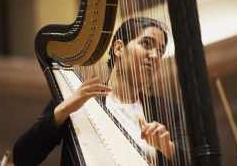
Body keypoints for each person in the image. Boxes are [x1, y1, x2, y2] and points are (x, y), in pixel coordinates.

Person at [13, 17, 184, 165]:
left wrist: (167, 147)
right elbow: (23, 157)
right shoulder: (78, 99)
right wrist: (65, 109)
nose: (155, 55)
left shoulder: (167, 110)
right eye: (146, 44)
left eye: (160, 51)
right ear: (118, 48)